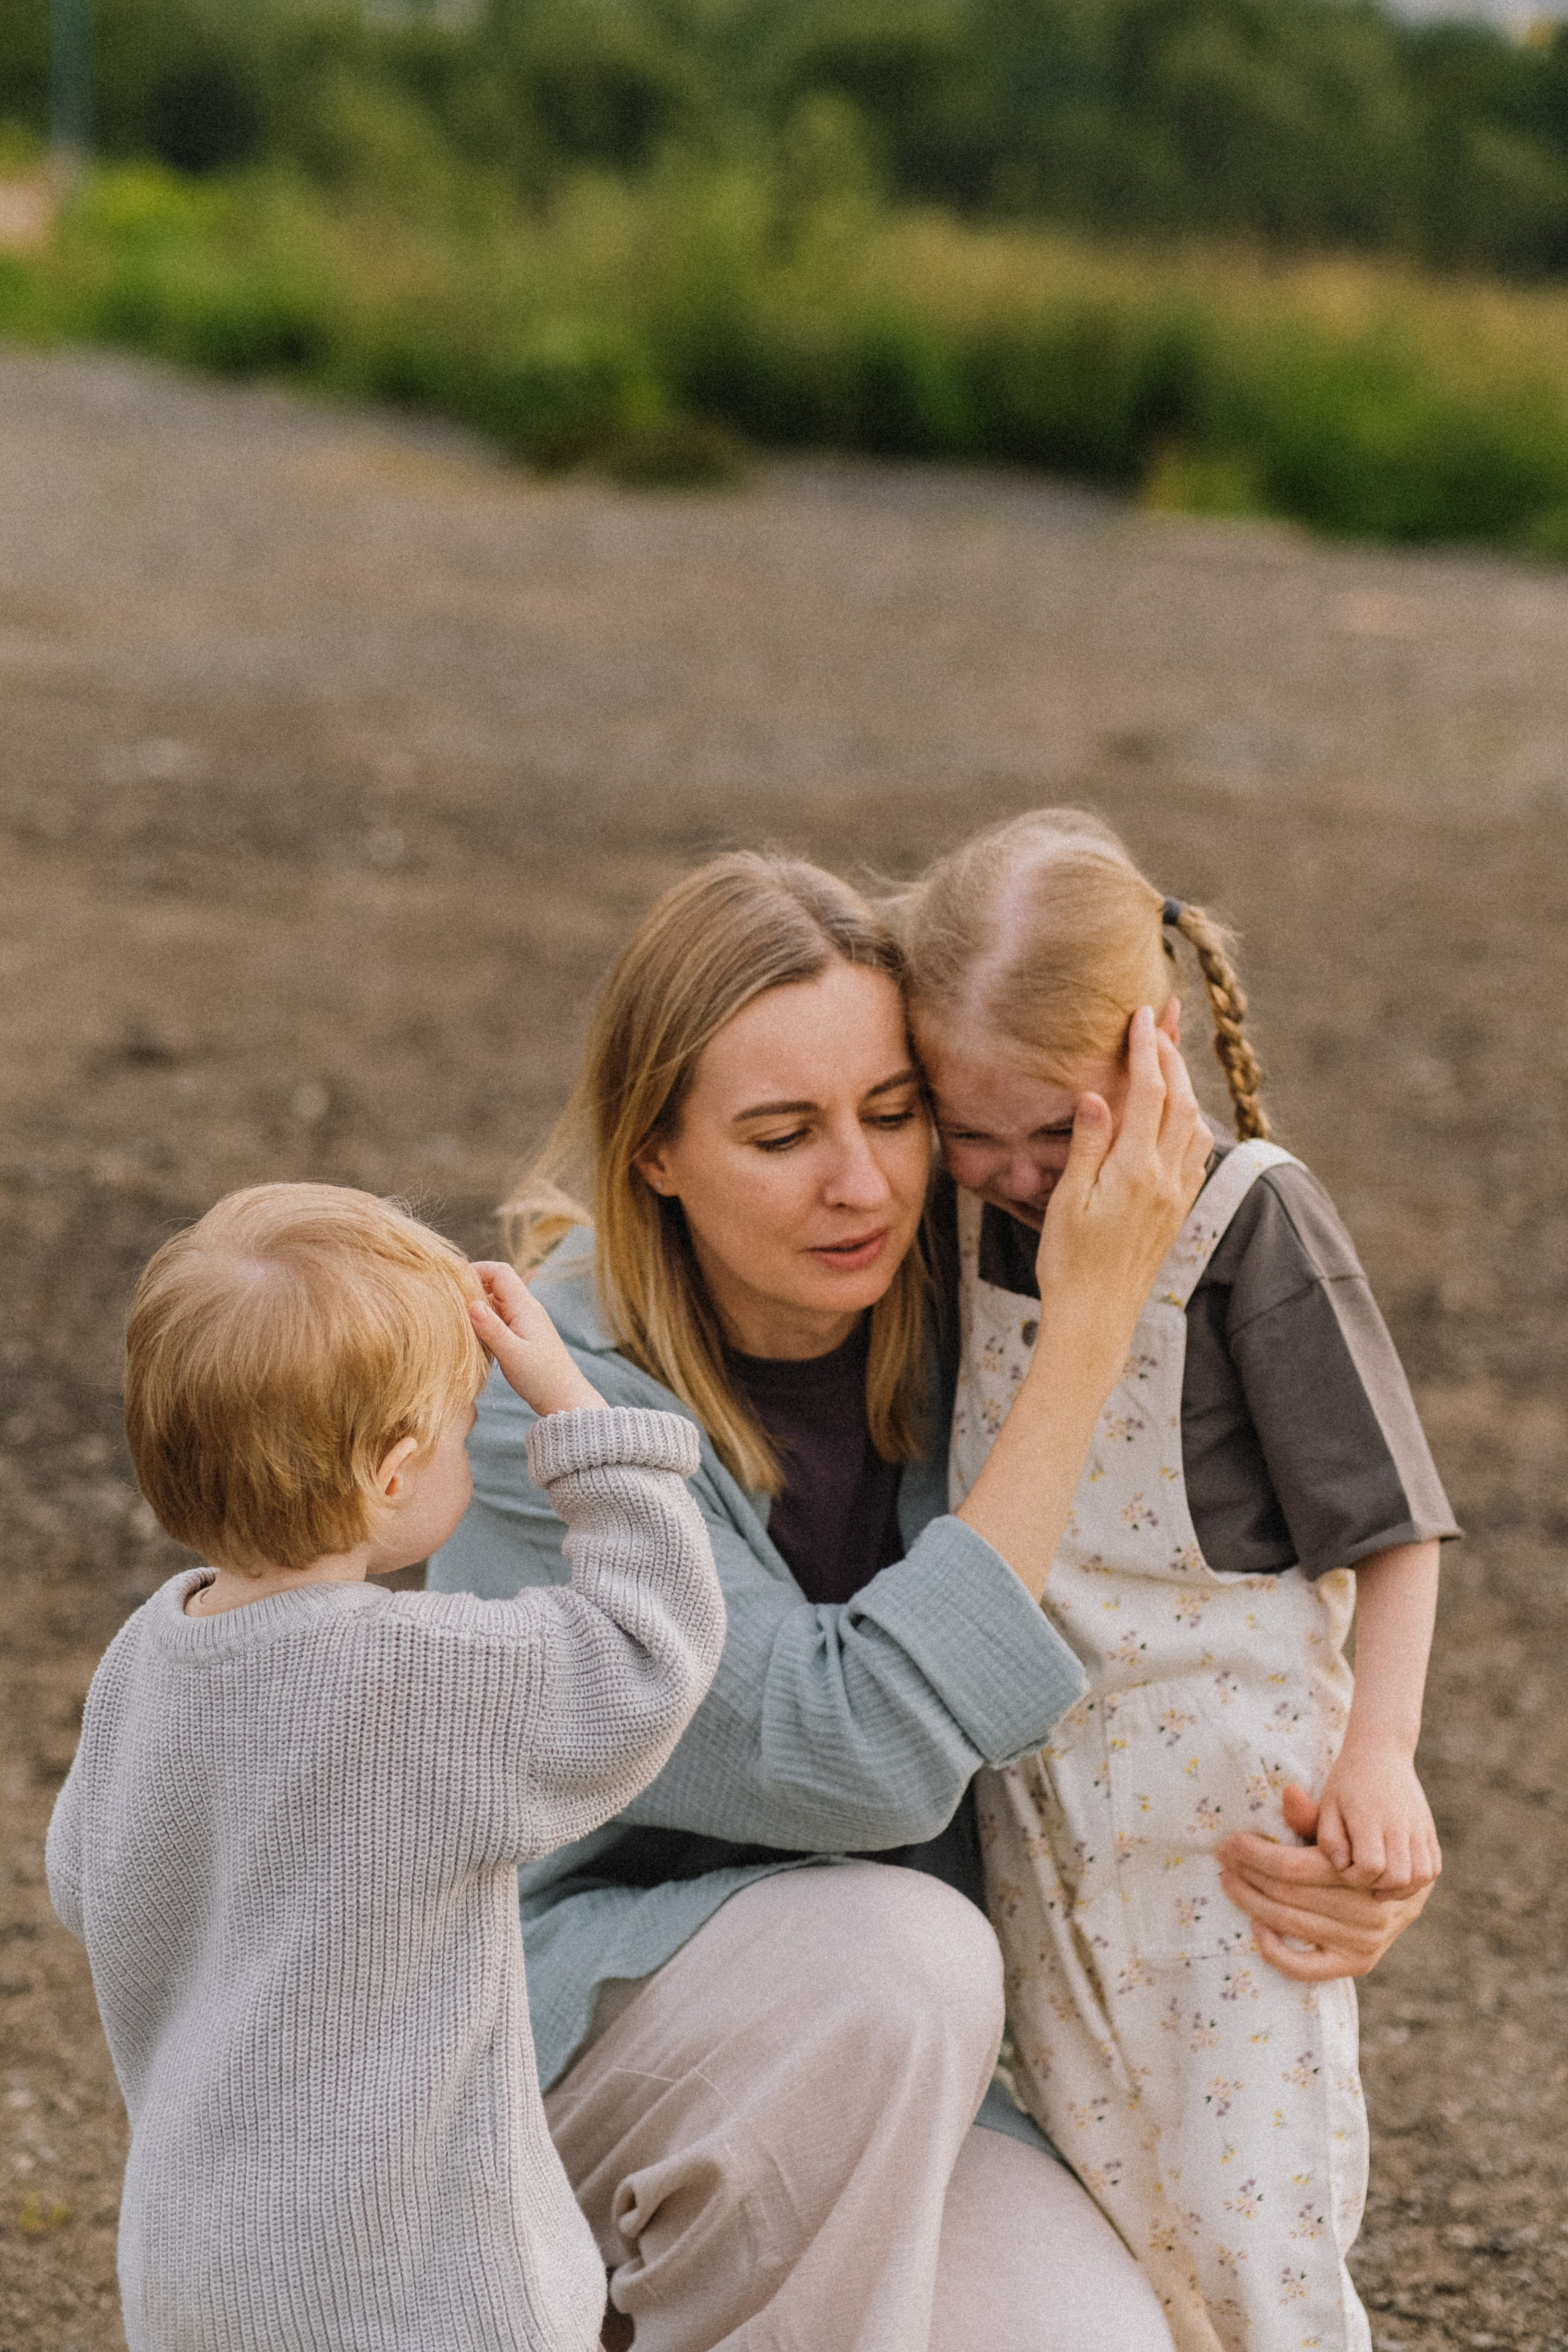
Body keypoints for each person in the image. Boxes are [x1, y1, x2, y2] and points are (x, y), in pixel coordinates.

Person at [431, 851, 1431, 2352]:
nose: (862, 1183)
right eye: (780, 1136)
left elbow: (1191, 1615)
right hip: (548, 2059)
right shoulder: (539, 1408)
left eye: (896, 1116)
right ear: (653, 1152)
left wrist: (1345, 1829)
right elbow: (848, 1760)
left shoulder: (955, 1298)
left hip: (887, 2071)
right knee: (897, 1953)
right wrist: (1089, 1333)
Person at [897, 809, 1458, 2352]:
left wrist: (1380, 1757)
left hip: (1223, 1829)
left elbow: (1390, 1525)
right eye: (970, 1131)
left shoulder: (1246, 1222)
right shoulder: (963, 1228)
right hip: (1046, 1823)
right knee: (1101, 2179)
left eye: (1051, 1132)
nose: (1012, 1173)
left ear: (1147, 1055)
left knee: (1247, 2209)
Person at [45, 1182, 726, 2352]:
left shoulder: (147, 1654)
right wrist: (574, 1408)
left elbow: (78, 1877)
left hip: (200, 2269)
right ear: (396, 1471)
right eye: (465, 1431)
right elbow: (651, 1648)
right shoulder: (424, 1677)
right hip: (422, 2284)